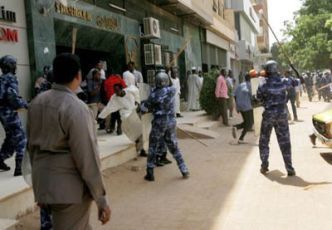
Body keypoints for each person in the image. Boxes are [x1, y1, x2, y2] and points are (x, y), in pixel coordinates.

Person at [27, 53, 111, 229]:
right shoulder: (76, 108)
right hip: (69, 190)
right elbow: (87, 157)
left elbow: (31, 148)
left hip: (44, 182)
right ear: (79, 76)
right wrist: (101, 198)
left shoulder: (36, 103)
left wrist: (40, 187)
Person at [140, 70, 189, 181]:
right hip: (171, 122)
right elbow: (168, 87)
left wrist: (143, 103)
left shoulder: (153, 94)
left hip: (159, 123)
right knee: (174, 146)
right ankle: (184, 169)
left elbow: (144, 108)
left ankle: (150, 173)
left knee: (153, 147)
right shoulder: (172, 90)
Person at [256, 60, 296, 176]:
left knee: (264, 141)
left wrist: (265, 101)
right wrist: (294, 72)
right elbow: (297, 82)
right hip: (282, 115)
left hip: (268, 115)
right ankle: (290, 168)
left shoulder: (263, 83)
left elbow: (258, 99)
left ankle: (264, 165)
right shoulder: (284, 81)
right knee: (285, 142)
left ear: (267, 70)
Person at [98, 83, 147, 156]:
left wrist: (138, 102)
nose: (116, 92)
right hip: (125, 115)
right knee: (136, 132)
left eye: (117, 90)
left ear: (122, 89)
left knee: (141, 132)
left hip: (134, 111)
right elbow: (108, 108)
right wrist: (101, 117)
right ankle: (139, 146)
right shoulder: (114, 98)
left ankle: (141, 148)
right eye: (115, 91)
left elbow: (137, 93)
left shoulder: (130, 91)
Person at [0, 55, 28, 176]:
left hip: (1, 112)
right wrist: (26, 104)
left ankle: (0, 159)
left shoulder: (1, 78)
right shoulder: (10, 78)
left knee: (11, 137)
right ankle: (19, 167)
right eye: (14, 64)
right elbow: (12, 97)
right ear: (10, 65)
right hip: (9, 112)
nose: (15, 67)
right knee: (21, 138)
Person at [232, 73, 253, 143]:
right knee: (250, 123)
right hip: (247, 106)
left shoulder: (240, 85)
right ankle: (240, 137)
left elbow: (234, 95)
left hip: (240, 106)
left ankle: (236, 128)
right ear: (250, 79)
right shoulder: (250, 85)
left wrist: (237, 105)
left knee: (247, 122)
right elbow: (253, 96)